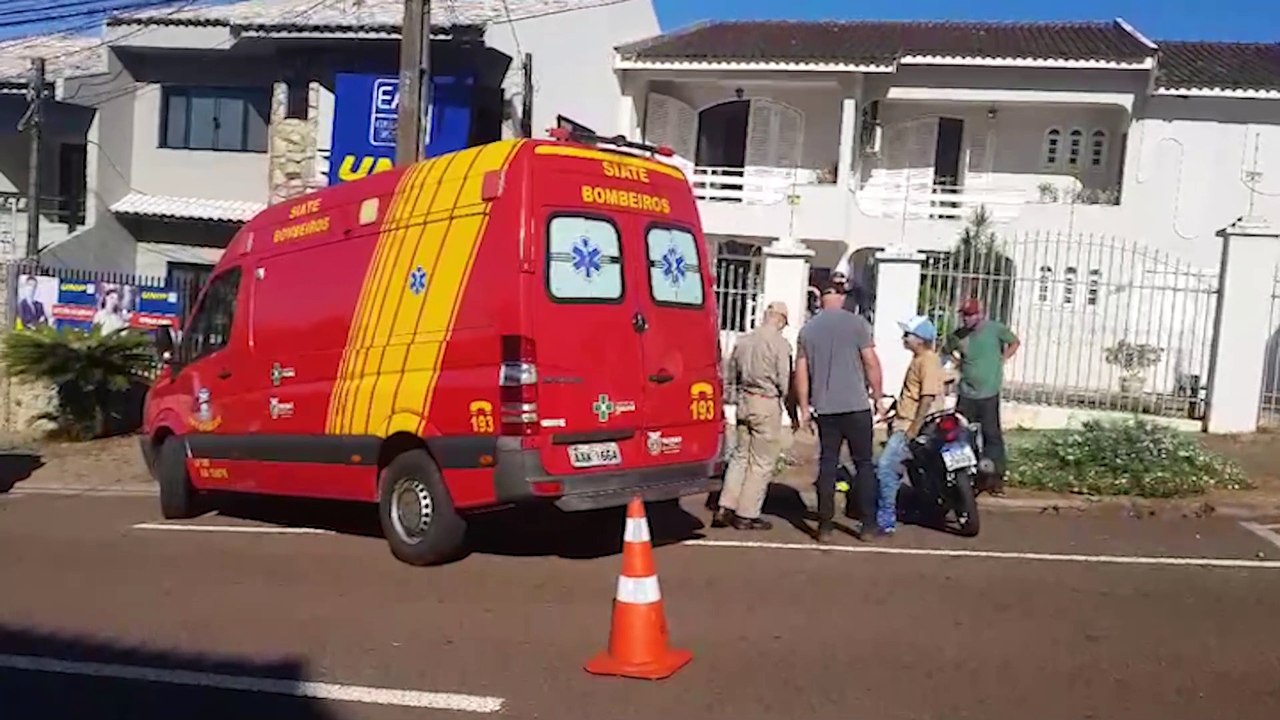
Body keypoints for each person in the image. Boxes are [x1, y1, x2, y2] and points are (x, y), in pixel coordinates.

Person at [795, 282, 884, 543]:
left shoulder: (808, 330)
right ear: (842, 298)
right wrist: (878, 397)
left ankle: (825, 526)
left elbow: (801, 372)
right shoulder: (857, 325)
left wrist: (804, 408)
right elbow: (871, 362)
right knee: (864, 464)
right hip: (856, 405)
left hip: (826, 408)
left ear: (821, 299)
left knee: (828, 464)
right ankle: (867, 525)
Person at [714, 301, 793, 531]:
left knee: (740, 455)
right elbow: (784, 380)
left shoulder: (743, 340)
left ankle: (725, 505)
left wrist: (732, 396)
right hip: (766, 402)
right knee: (761, 461)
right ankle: (746, 514)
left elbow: (730, 373)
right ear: (780, 319)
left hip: (744, 401)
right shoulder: (780, 344)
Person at [874, 315, 945, 536]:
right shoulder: (919, 359)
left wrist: (914, 426)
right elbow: (913, 394)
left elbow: (926, 397)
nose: (904, 337)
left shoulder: (928, 361)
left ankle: (885, 520)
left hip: (910, 426)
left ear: (920, 339)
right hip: (904, 421)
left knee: (886, 467)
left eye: (908, 334)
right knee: (904, 470)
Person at [945, 298, 1021, 495]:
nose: (967, 319)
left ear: (981, 314)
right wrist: (958, 362)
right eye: (964, 315)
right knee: (960, 434)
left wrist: (1002, 359)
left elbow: (1014, 342)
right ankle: (963, 476)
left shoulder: (995, 329)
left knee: (991, 435)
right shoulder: (959, 335)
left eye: (970, 315)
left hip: (988, 392)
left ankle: (995, 480)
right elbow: (946, 350)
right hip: (966, 392)